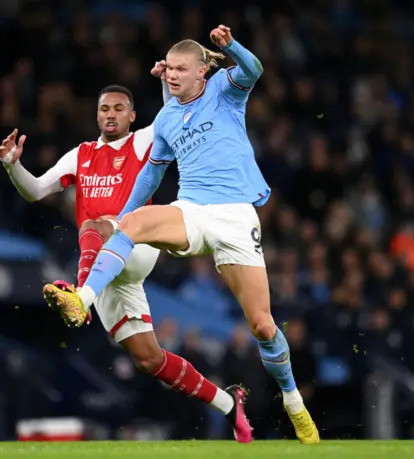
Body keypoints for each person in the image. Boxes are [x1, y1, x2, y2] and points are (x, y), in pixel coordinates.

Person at [43, 25, 320, 444]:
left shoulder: (226, 90)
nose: (171, 75)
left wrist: (231, 48)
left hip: (234, 215)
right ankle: (81, 297)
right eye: (168, 68)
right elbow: (150, 176)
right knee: (131, 226)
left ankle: (293, 400)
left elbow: (255, 69)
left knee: (263, 326)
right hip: (191, 210)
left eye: (180, 69)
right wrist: (122, 218)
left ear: (201, 72)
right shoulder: (167, 118)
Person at [0, 66, 252, 442]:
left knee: (93, 224)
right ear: (97, 114)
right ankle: (229, 404)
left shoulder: (143, 141)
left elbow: (175, 114)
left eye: (119, 108)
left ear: (132, 116)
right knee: (150, 359)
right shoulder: (80, 155)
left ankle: (79, 298)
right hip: (106, 267)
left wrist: (170, 80)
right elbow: (35, 191)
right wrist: (12, 165)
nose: (111, 114)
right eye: (104, 109)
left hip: (137, 246)